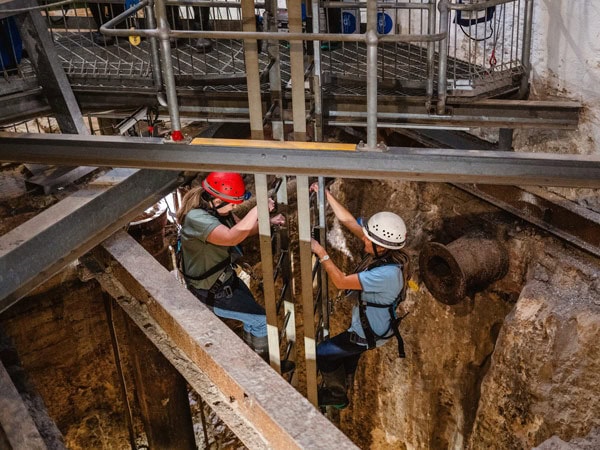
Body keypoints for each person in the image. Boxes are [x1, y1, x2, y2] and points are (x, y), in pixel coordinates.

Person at [176, 172, 293, 372]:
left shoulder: (220, 211)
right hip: (209, 291)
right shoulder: (197, 218)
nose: (235, 207)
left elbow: (241, 229)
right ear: (215, 199)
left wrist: (268, 222)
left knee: (254, 319)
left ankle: (254, 361)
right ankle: (263, 372)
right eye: (232, 203)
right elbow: (231, 238)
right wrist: (257, 211)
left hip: (224, 281)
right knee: (260, 321)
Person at [310, 183, 410, 408]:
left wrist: (321, 252)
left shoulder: (386, 274)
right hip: (370, 326)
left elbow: (341, 281)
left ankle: (337, 396)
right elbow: (349, 222)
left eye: (367, 240)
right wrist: (326, 195)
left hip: (368, 333)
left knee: (323, 353)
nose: (363, 239)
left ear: (380, 247)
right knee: (345, 357)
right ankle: (342, 388)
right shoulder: (390, 253)